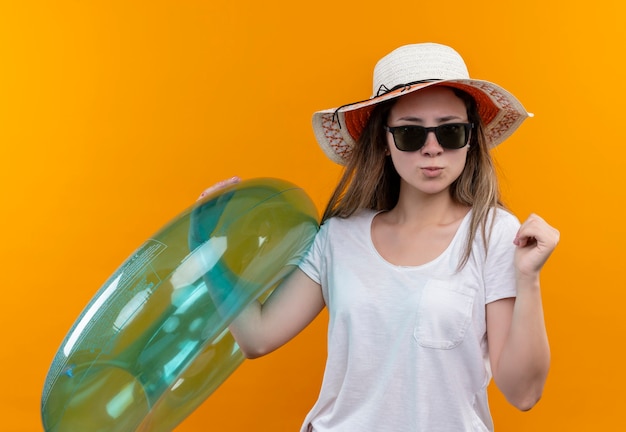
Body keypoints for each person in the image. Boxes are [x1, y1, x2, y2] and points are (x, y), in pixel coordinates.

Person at [198, 43, 559, 432]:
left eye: (451, 131)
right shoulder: (339, 236)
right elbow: (257, 337)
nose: (432, 148)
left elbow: (523, 394)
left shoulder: (493, 234)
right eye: (409, 133)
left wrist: (529, 278)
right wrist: (208, 244)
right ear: (384, 143)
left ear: (471, 140)